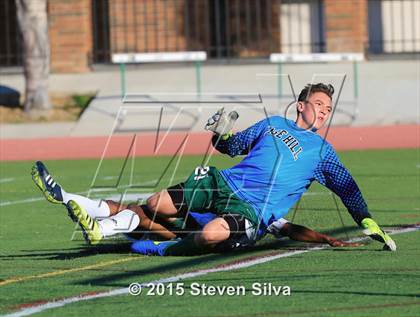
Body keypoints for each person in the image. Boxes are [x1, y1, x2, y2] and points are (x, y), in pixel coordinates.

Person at [31, 83, 396, 255]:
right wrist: (220, 133)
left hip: (247, 211)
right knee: (155, 203)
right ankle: (96, 221)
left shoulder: (323, 153)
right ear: (300, 105)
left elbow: (347, 188)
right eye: (318, 104)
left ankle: (89, 213)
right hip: (223, 184)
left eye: (328, 109)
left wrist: (365, 219)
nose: (323, 111)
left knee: (189, 230)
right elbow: (230, 147)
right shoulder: (271, 123)